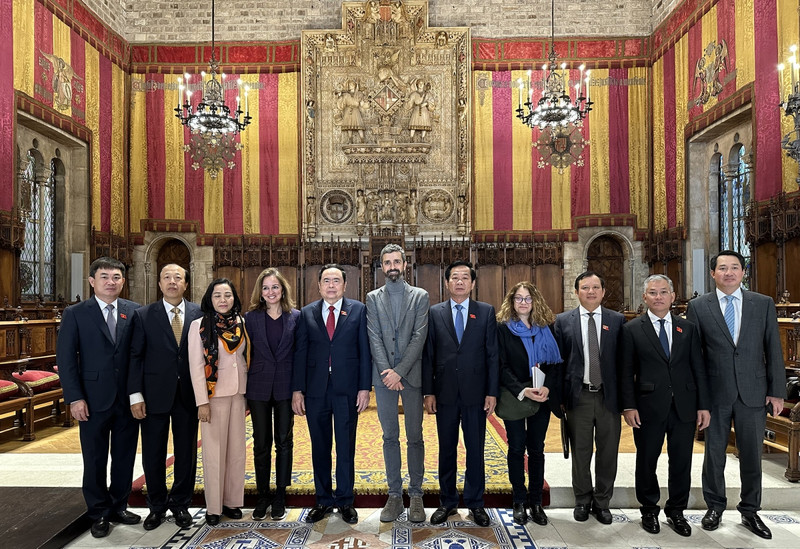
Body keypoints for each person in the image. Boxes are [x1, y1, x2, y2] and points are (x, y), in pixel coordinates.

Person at [686, 250, 786, 539]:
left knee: (753, 455)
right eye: (722, 268)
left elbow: (773, 350)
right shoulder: (699, 306)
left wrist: (776, 391)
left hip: (754, 393)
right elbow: (695, 356)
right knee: (714, 455)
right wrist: (699, 399)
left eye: (734, 268)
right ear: (713, 273)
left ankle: (750, 510)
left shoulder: (762, 303)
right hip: (715, 395)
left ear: (744, 272)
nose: (728, 273)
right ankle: (715, 506)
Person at [56, 257, 142, 538]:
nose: (111, 282)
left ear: (123, 281)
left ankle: (119, 505)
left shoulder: (135, 311)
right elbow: (66, 359)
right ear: (92, 281)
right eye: (104, 276)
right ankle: (98, 512)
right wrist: (74, 397)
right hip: (91, 399)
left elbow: (138, 357)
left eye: (116, 277)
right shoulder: (76, 313)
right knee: (94, 458)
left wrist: (137, 394)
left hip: (126, 399)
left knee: (124, 456)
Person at [620, 274, 711, 537]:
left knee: (681, 460)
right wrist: (629, 406)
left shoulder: (688, 328)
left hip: (684, 405)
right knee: (647, 459)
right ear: (644, 297)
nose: (658, 297)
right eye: (652, 292)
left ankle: (676, 511)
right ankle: (649, 509)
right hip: (647, 405)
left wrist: (703, 406)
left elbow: (698, 369)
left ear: (672, 296)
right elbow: (626, 372)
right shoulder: (632, 329)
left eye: (663, 292)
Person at [292, 264, 371, 524]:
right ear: (319, 285)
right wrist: (297, 390)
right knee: (320, 447)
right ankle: (323, 500)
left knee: (346, 447)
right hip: (316, 391)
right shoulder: (307, 313)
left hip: (347, 390)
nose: (331, 285)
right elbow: (300, 353)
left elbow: (364, 352)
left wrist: (364, 387)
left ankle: (346, 500)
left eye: (336, 280)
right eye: (326, 280)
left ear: (345, 285)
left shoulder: (358, 310)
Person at [422, 260, 499, 528]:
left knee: (476, 449)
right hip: (444, 394)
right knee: (446, 448)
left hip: (476, 394)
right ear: (446, 282)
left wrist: (492, 392)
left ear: (473, 283)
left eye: (465, 278)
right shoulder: (435, 313)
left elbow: (492, 355)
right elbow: (429, 355)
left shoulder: (486, 312)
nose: (459, 282)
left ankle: (476, 503)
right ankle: (448, 501)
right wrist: (428, 392)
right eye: (454, 277)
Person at [128, 264, 202, 531]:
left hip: (188, 396)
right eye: (167, 277)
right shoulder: (143, 315)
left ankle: (181, 503)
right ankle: (156, 506)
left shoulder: (198, 314)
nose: (172, 282)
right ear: (159, 284)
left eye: (178, 278)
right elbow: (135, 358)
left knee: (186, 453)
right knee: (153, 452)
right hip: (153, 395)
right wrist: (135, 396)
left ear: (186, 284)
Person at [553, 271, 624, 525]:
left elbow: (623, 365)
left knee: (608, 453)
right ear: (576, 292)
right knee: (580, 453)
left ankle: (602, 502)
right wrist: (559, 399)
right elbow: (557, 363)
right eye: (585, 287)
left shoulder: (617, 321)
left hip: (609, 398)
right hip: (578, 397)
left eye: (596, 287)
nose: (591, 292)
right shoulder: (562, 321)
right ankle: (582, 500)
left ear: (604, 292)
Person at [366, 244, 430, 523]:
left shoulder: (420, 296)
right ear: (381, 267)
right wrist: (387, 373)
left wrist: (399, 372)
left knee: (415, 437)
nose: (392, 266)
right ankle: (394, 494)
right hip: (383, 380)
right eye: (387, 262)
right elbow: (374, 337)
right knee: (389, 437)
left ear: (405, 265)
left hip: (412, 378)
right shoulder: (372, 298)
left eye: (397, 261)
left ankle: (416, 494)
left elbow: (419, 337)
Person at [496, 281, 562, 526]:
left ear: (536, 301)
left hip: (542, 398)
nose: (523, 303)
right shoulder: (503, 328)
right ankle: (518, 500)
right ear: (512, 302)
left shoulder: (546, 327)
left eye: (528, 298)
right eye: (518, 298)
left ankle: (535, 501)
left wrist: (546, 387)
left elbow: (555, 364)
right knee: (516, 448)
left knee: (536, 449)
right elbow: (500, 366)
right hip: (516, 396)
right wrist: (522, 389)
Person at [188, 279, 250, 526]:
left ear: (234, 297)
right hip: (213, 397)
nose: (223, 300)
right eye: (217, 296)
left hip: (238, 394)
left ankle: (232, 502)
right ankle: (213, 506)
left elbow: (243, 358)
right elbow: (195, 365)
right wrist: (201, 401)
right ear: (210, 299)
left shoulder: (240, 323)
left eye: (227, 295)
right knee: (213, 453)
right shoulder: (199, 326)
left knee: (236, 451)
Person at [245, 268, 300, 521]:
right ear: (260, 291)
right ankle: (263, 494)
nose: (270, 292)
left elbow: (300, 354)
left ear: (283, 289)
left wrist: (300, 389)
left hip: (286, 387)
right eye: (266, 288)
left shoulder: (296, 317)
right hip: (258, 387)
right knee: (261, 443)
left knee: (284, 441)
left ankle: (280, 493)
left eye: (275, 287)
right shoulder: (250, 318)